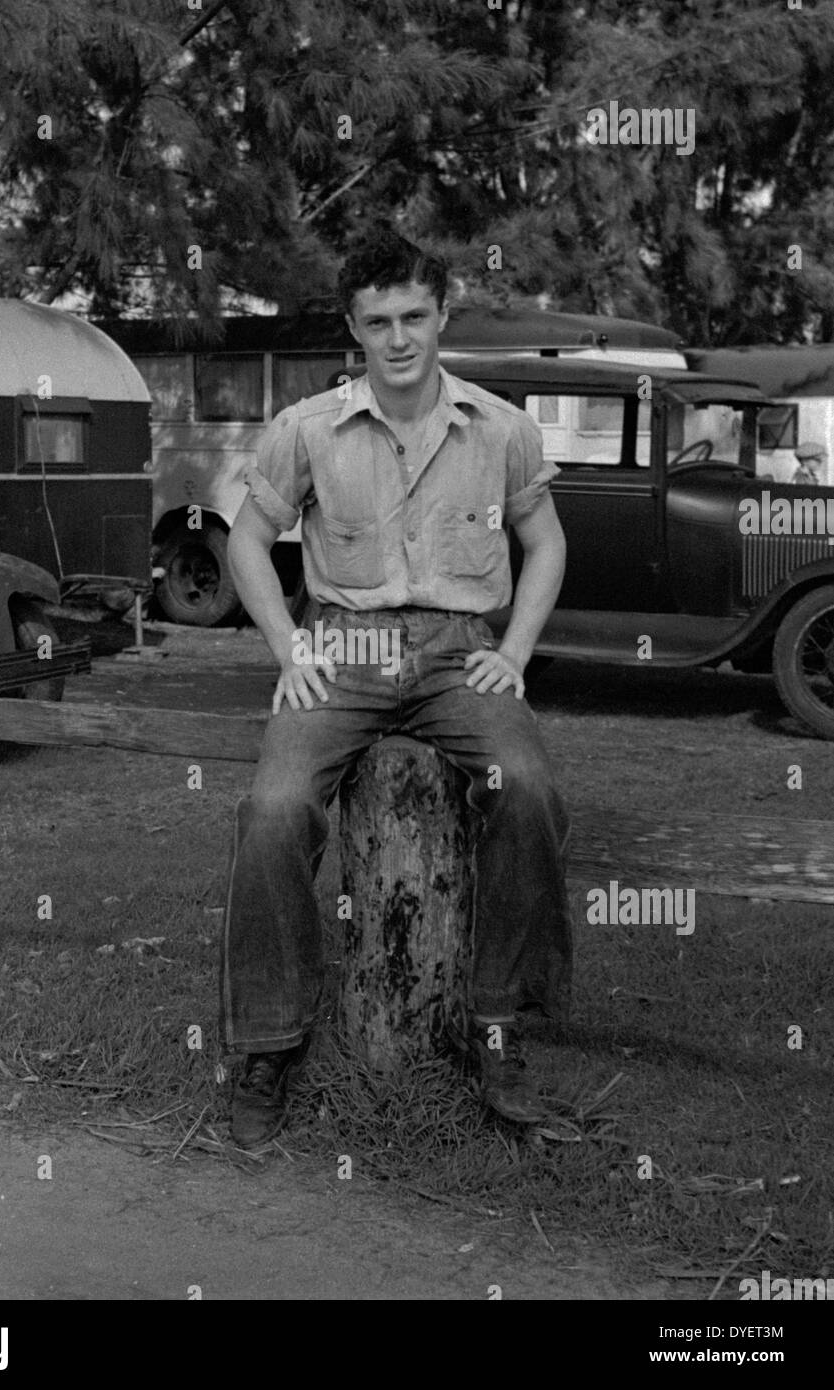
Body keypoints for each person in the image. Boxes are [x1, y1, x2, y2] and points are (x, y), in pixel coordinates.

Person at [219, 228, 572, 1149]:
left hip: (460, 653)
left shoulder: (500, 428)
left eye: (415, 315)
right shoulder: (308, 429)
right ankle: (268, 1043)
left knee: (527, 789)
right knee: (271, 808)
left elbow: (546, 543)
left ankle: (500, 1024)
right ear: (354, 328)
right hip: (345, 649)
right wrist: (290, 648)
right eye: (378, 321)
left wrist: (518, 652)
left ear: (442, 314)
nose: (399, 338)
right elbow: (246, 542)